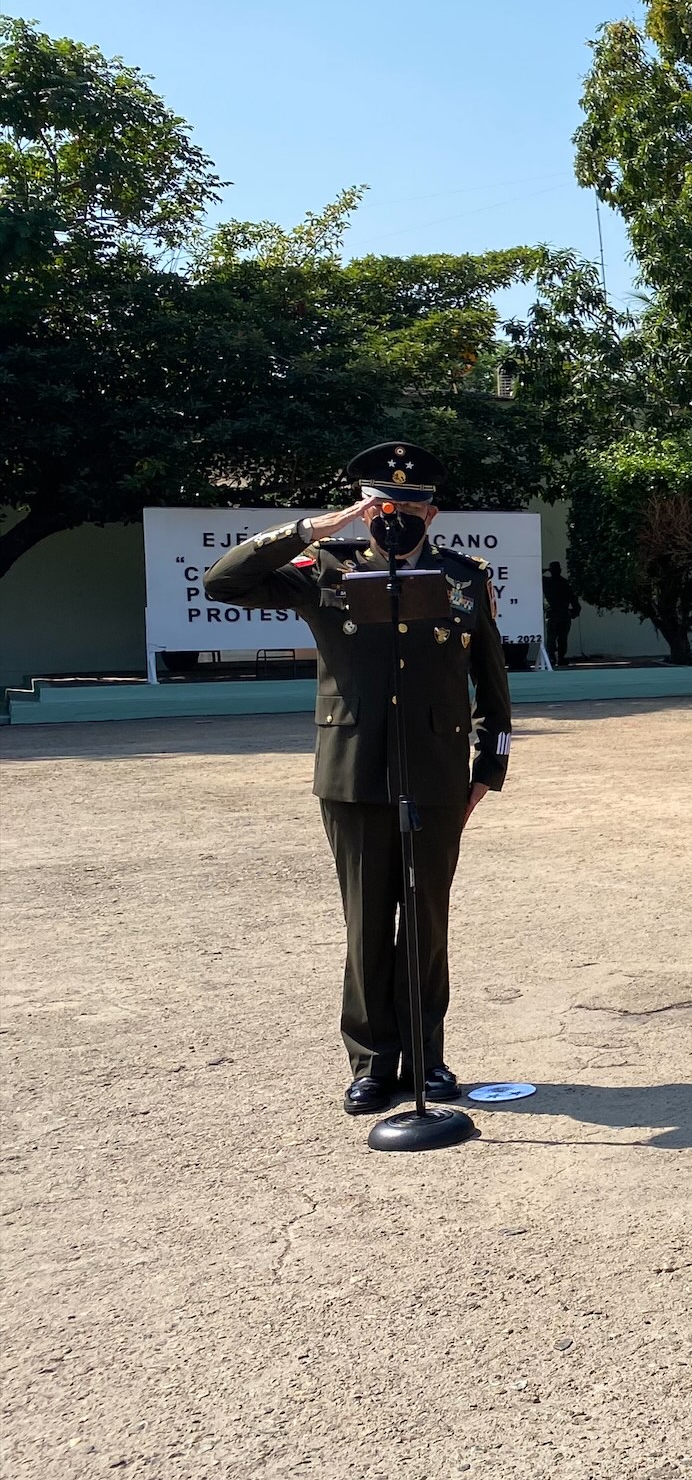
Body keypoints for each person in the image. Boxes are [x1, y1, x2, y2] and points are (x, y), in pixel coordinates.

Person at [202, 442, 511, 1114]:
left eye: (411, 506)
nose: (396, 517)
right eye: (382, 505)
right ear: (363, 509)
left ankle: (427, 1058)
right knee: (367, 920)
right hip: (351, 773)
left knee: (426, 922)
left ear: (434, 512)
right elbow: (221, 582)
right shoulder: (324, 569)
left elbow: (490, 678)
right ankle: (372, 1063)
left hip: (434, 771)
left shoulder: (464, 577)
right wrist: (311, 530)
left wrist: (488, 767)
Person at [542, 560, 580, 667]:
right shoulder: (562, 582)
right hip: (558, 614)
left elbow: (536, 574)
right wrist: (574, 612)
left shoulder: (547, 582)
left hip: (556, 614)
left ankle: (554, 658)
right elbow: (574, 599)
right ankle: (558, 658)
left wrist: (547, 570)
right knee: (560, 639)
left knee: (555, 638)